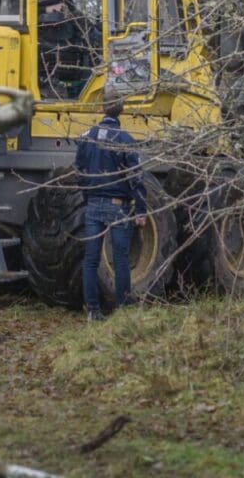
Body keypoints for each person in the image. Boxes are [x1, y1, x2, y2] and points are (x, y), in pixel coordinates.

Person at [73, 82, 149, 320]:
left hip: (94, 205)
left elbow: (79, 172)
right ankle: (124, 309)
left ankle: (93, 311)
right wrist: (141, 209)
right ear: (122, 110)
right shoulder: (125, 140)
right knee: (120, 259)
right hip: (118, 206)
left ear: (102, 109)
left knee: (91, 260)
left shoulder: (86, 138)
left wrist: (88, 196)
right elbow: (136, 177)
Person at [36, 0, 92, 97]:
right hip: (42, 35)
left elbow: (71, 7)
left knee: (89, 38)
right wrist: (45, 10)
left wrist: (68, 12)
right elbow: (18, 11)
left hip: (64, 32)